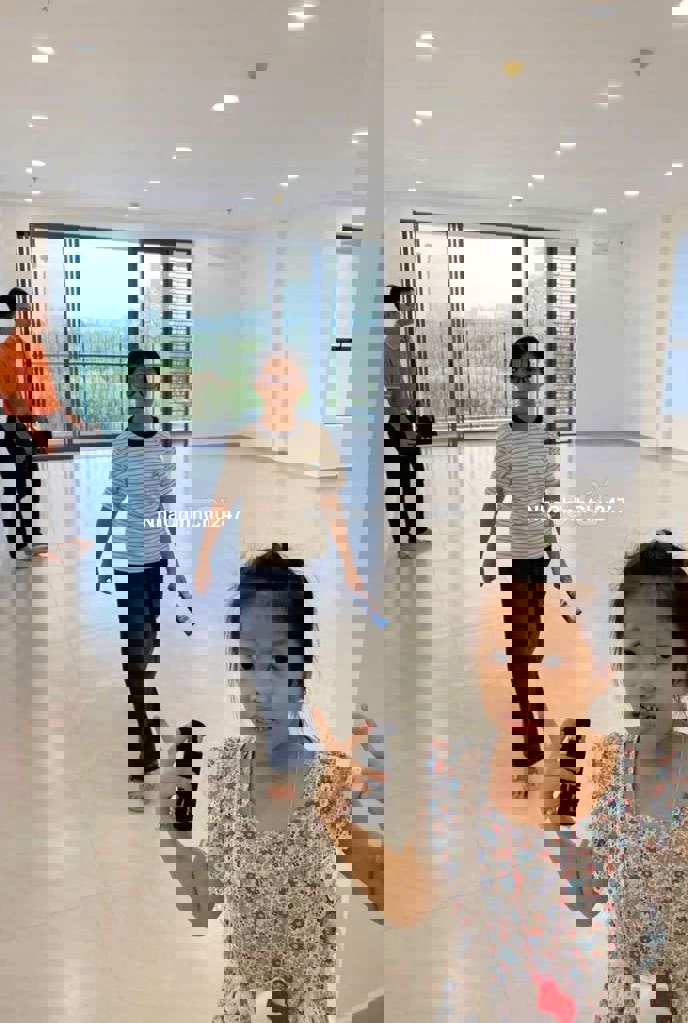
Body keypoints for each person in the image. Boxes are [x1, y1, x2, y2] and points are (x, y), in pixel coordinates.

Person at [159, 547, 430, 1022]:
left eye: (277, 663)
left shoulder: (330, 783)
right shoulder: (225, 770)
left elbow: (397, 898)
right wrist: (172, 834)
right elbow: (206, 904)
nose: (259, 688)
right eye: (247, 663)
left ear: (303, 668)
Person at [537, 537, 688, 1022]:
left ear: (685, 663)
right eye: (632, 653)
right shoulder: (610, 767)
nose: (643, 678)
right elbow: (586, 899)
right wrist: (554, 824)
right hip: (621, 1006)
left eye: (661, 656)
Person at [194, 352, 367, 602]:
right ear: (260, 387)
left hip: (303, 562)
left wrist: (349, 566)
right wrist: (204, 558)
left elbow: (331, 505)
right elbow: (223, 501)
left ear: (300, 387)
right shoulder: (245, 441)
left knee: (296, 622)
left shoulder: (317, 439)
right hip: (256, 561)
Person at [478, 335, 566, 774]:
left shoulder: (546, 434)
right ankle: (529, 737)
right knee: (519, 651)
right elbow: (498, 490)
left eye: (534, 370)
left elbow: (551, 498)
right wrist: (486, 548)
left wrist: (560, 562)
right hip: (514, 556)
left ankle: (532, 724)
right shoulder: (505, 435)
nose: (528, 378)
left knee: (529, 647)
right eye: (521, 371)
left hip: (539, 556)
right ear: (511, 377)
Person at [96, 350, 177, 804]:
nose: (146, 387)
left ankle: (146, 725)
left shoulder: (163, 440)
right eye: (139, 379)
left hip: (155, 562)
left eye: (151, 379)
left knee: (145, 648)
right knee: (135, 657)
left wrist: (173, 558)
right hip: (130, 560)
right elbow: (113, 494)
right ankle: (145, 745)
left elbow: (167, 498)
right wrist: (102, 548)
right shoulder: (123, 443)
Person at [0, 287, 84, 563]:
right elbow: (12, 395)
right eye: (24, 311)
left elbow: (45, 393)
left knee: (29, 483)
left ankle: (28, 540)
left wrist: (68, 416)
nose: (29, 315)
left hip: (29, 425)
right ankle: (22, 543)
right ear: (14, 314)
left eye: (31, 310)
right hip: (17, 426)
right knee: (23, 485)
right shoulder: (7, 351)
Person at [383, 285, 431, 558]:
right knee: (400, 479)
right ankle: (403, 541)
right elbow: (390, 387)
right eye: (408, 303)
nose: (413, 307)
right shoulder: (390, 341)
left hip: (407, 417)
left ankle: (413, 529)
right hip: (395, 420)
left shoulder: (404, 339)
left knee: (411, 476)